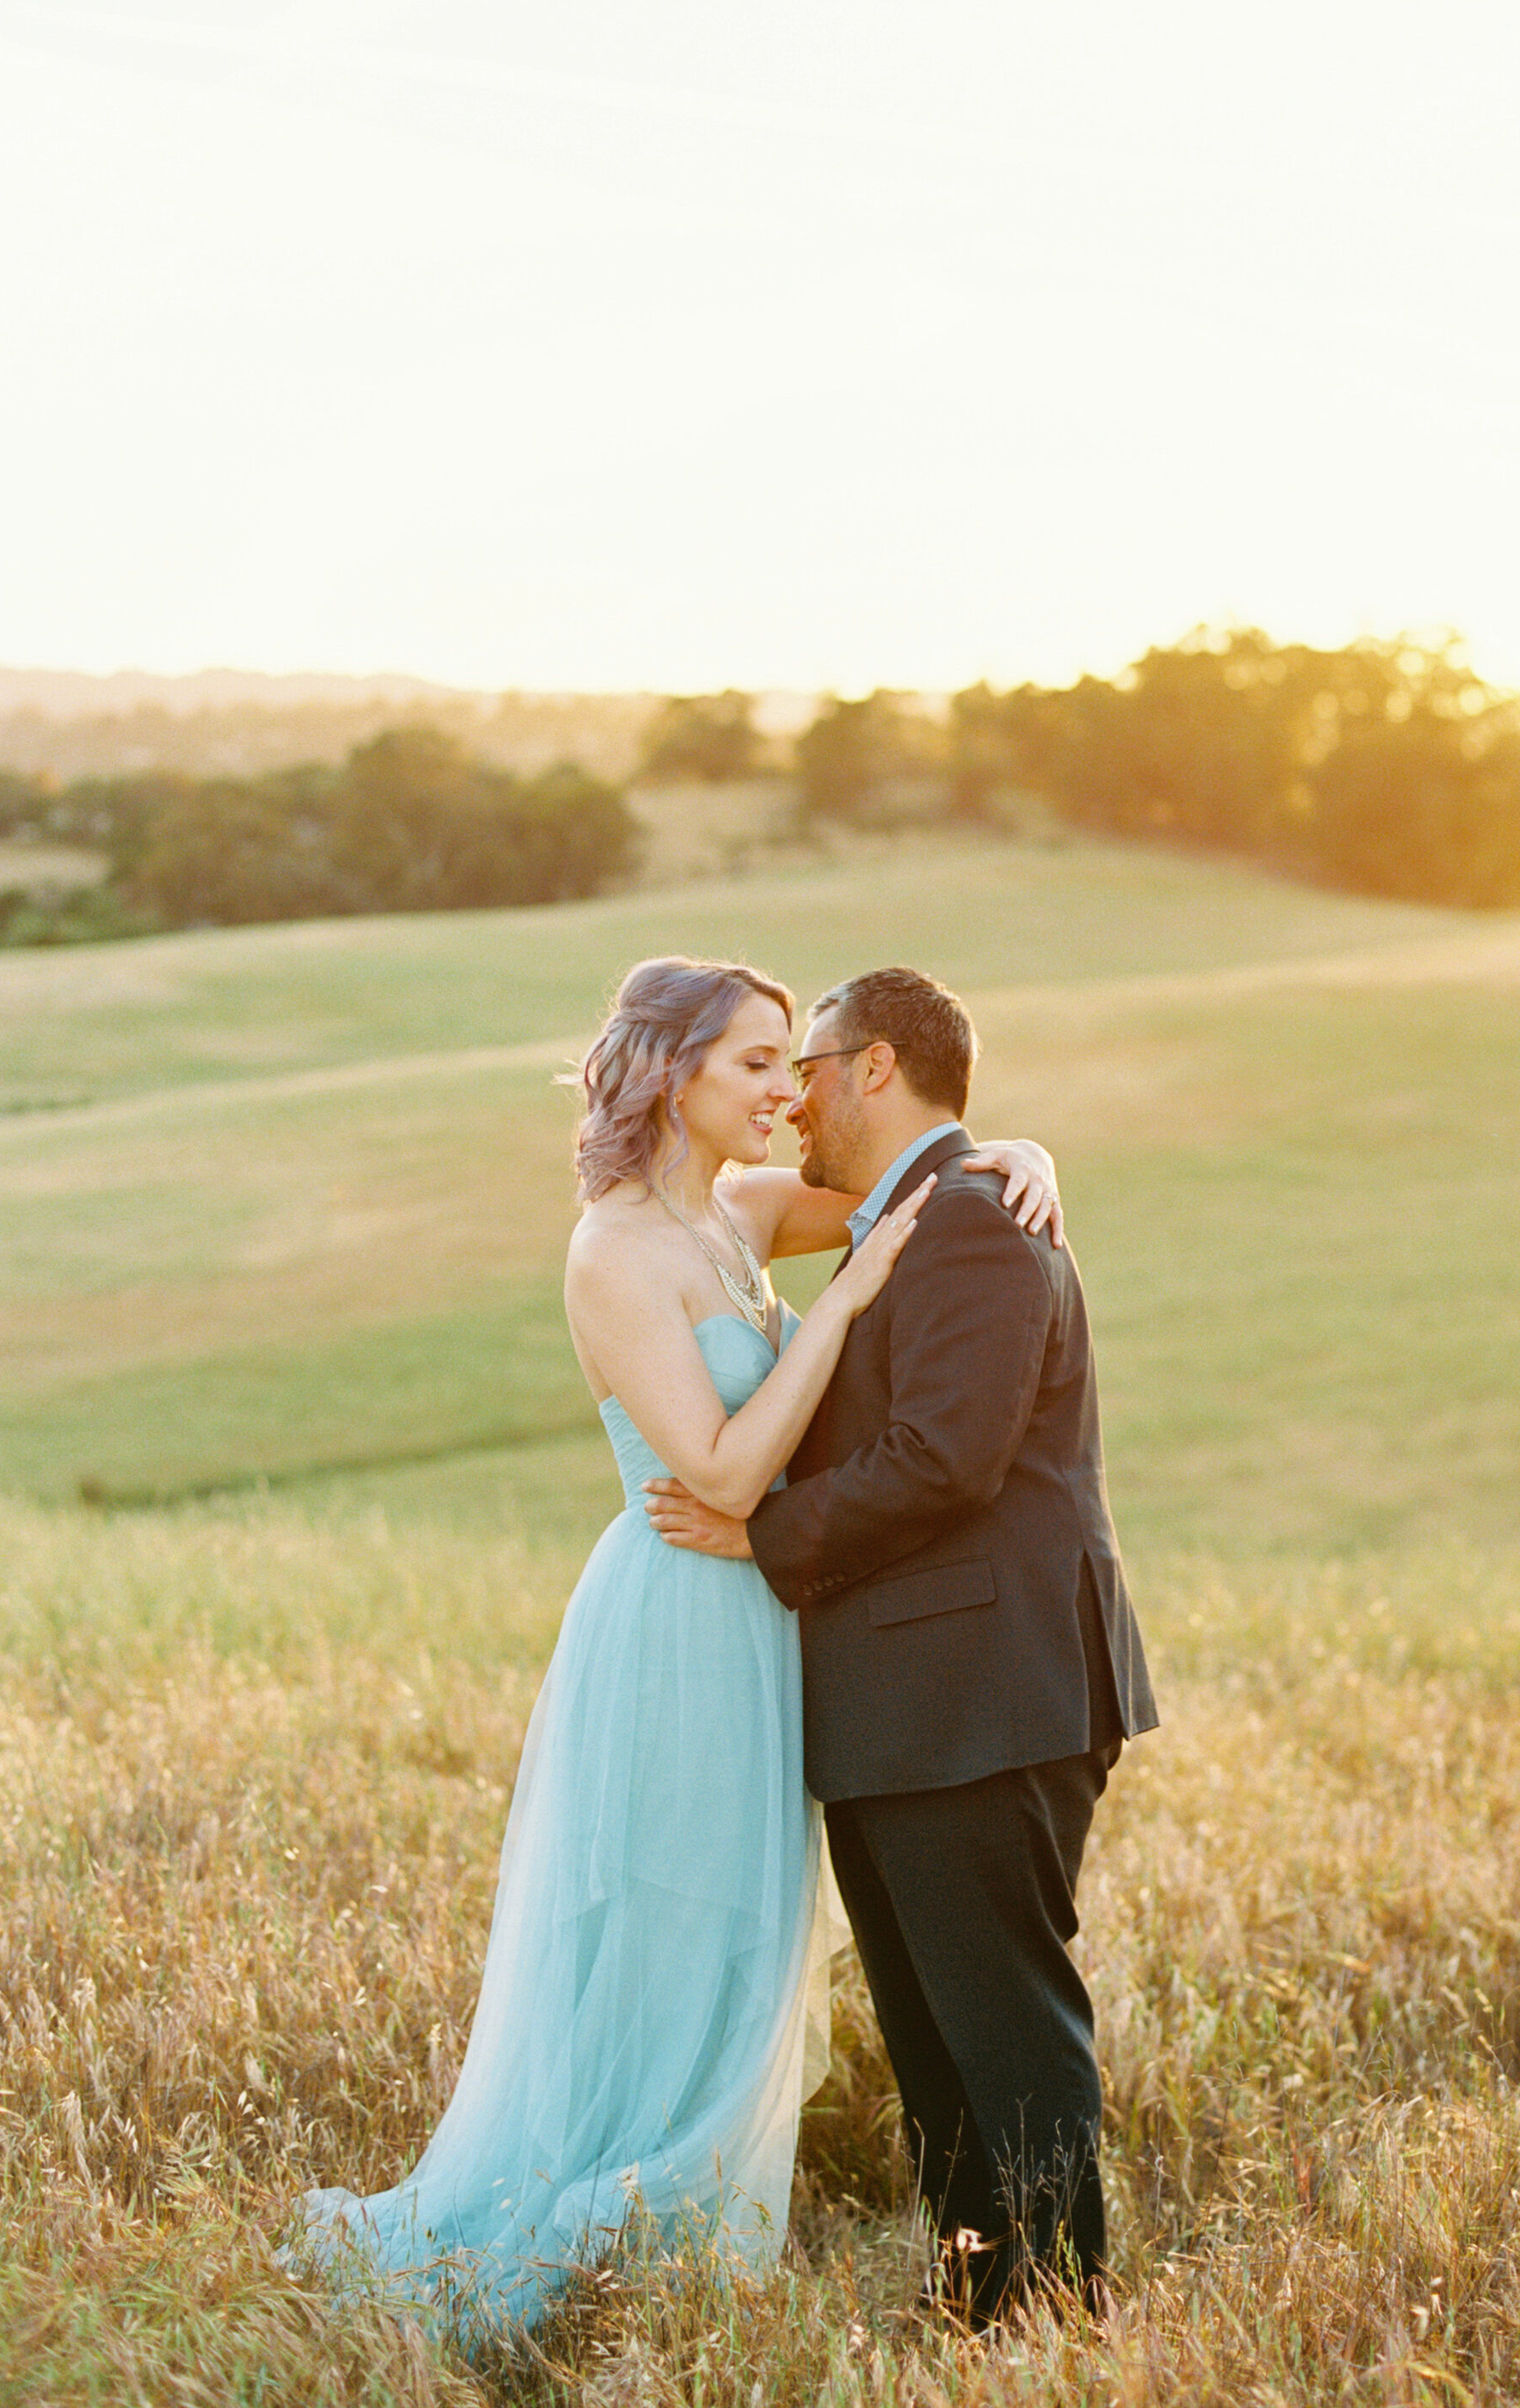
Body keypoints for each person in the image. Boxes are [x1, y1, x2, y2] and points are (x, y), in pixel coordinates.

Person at [290, 955, 1065, 2341]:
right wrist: (833, 1308)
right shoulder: (613, 1249)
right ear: (673, 1073)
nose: (787, 1090)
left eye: (795, 1061)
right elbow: (714, 1471)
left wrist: (1021, 1149)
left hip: (768, 1626)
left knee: (747, 1937)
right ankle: (597, 2235)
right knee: (662, 1922)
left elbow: (916, 1187)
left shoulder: (742, 1211)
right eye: (757, 1063)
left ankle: (699, 2243)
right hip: (675, 1613)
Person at [646, 964, 1157, 2325]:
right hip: (903, 1706)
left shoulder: (976, 1223)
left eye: (808, 1061)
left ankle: (1068, 2313)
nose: (794, 1093)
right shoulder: (919, 1210)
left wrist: (759, 1537)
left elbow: (947, 1458)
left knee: (1006, 2025)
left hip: (984, 1698)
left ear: (876, 1066)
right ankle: (985, 2307)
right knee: (936, 2047)